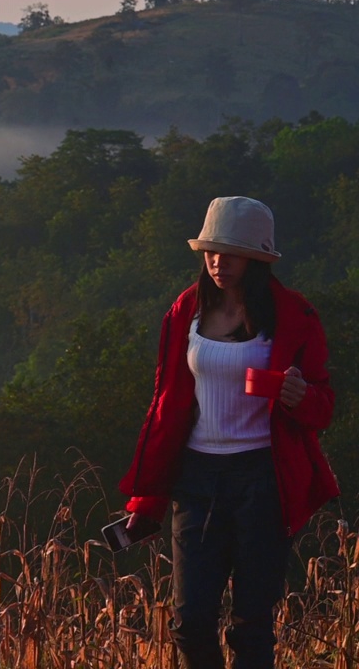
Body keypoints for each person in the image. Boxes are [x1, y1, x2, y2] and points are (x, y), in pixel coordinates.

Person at [118, 196, 338, 669]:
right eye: (210, 251)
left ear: (256, 258)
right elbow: (166, 404)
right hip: (196, 478)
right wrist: (147, 497)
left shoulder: (293, 314)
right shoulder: (186, 311)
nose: (217, 262)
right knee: (190, 621)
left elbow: (324, 406)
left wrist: (300, 398)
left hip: (262, 478)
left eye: (230, 252)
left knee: (251, 624)